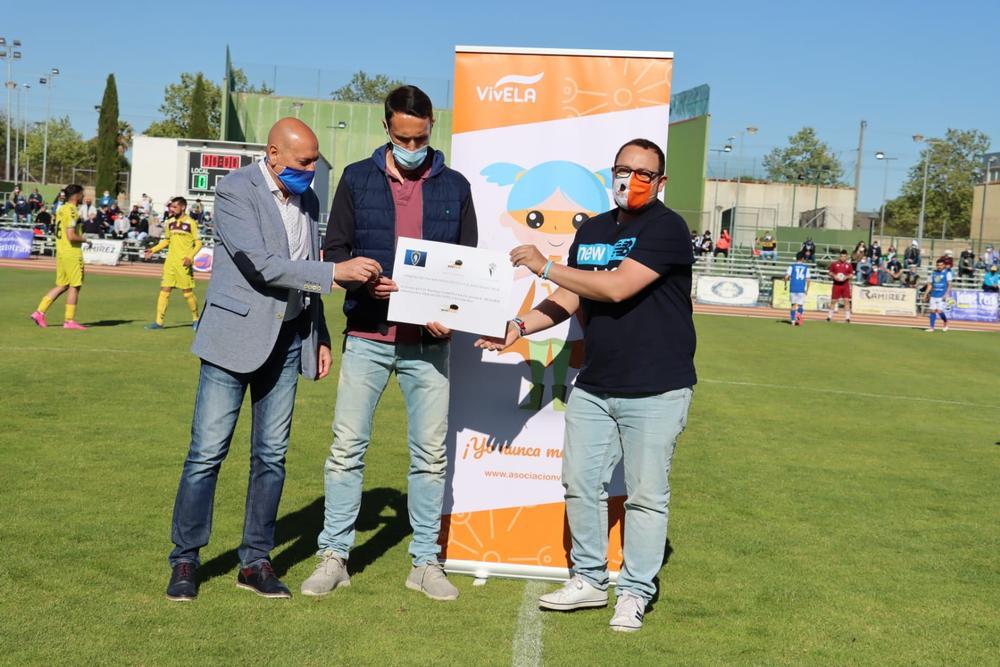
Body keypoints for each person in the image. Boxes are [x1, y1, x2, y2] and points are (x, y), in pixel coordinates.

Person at [478, 138, 695, 633]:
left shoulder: (667, 228)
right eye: (624, 170)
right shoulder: (593, 229)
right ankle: (590, 579)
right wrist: (518, 327)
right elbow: (569, 298)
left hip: (657, 386)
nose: (632, 179)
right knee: (580, 484)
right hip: (596, 382)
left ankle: (636, 591)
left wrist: (546, 264)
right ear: (611, 175)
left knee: (645, 495)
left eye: (644, 173)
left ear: (661, 182)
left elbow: (616, 287)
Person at [164, 118, 383, 602]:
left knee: (271, 458)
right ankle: (185, 560)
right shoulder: (234, 191)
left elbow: (303, 273)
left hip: (287, 342)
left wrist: (319, 332)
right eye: (304, 162)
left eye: (314, 161)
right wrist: (336, 272)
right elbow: (260, 265)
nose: (311, 170)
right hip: (231, 340)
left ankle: (255, 561)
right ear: (274, 154)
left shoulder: (307, 199)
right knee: (206, 455)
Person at [301, 85, 477, 602]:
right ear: (386, 129)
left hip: (430, 345)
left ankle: (425, 562)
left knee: (429, 458)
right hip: (369, 336)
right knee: (346, 450)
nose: (412, 146)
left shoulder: (457, 186)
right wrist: (361, 280)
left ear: (430, 131)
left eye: (420, 138)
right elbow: (335, 252)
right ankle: (334, 555)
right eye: (403, 138)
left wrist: (452, 314)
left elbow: (467, 266)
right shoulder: (356, 178)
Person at [29, 184, 89, 330]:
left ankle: (39, 312)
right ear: (76, 195)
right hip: (72, 253)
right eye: (82, 194)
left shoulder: (61, 209)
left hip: (61, 252)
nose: (83, 196)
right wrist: (85, 239)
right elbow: (71, 235)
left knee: (62, 285)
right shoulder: (73, 211)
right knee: (75, 286)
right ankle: (69, 321)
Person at [143, 197, 203, 330]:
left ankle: (196, 319)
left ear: (183, 207)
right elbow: (166, 241)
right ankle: (159, 322)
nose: (171, 209)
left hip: (183, 263)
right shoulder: (169, 222)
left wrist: (190, 257)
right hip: (170, 263)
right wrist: (153, 250)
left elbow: (199, 243)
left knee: (187, 292)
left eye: (175, 207)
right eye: (171, 207)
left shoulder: (191, 223)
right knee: (164, 291)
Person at [922, 258, 952, 332]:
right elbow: (930, 285)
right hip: (933, 295)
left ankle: (945, 322)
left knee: (939, 311)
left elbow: (949, 285)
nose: (939, 266)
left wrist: (946, 294)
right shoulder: (933, 273)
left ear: (944, 265)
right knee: (932, 311)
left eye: (941, 265)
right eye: (938, 265)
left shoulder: (947, 273)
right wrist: (925, 294)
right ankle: (932, 327)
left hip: (942, 295)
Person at [827, 250, 854, 323]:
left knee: (846, 301)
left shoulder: (849, 265)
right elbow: (829, 272)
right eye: (841, 256)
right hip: (836, 285)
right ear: (839, 256)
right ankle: (829, 317)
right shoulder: (834, 264)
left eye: (844, 256)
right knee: (833, 301)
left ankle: (847, 318)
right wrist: (834, 276)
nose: (843, 258)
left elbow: (851, 274)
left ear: (846, 257)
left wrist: (846, 277)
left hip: (845, 285)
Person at [784, 252, 811, 325]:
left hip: (793, 287)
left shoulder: (791, 266)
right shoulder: (806, 267)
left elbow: (786, 277)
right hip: (801, 288)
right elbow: (808, 279)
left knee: (793, 305)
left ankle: (792, 321)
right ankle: (799, 317)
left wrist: (785, 285)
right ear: (803, 258)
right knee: (800, 305)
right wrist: (807, 289)